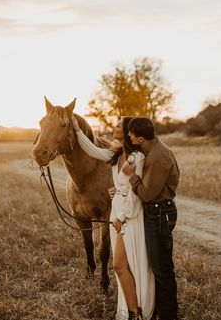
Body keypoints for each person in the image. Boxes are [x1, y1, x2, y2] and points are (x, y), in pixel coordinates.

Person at [71, 116, 155, 320]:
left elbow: (137, 195)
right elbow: (91, 149)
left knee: (126, 265)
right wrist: (77, 130)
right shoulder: (116, 154)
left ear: (128, 132)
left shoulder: (137, 158)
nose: (113, 127)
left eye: (118, 125)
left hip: (129, 218)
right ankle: (131, 311)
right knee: (121, 266)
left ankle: (138, 311)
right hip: (119, 214)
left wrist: (121, 217)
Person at [122, 117, 180, 320]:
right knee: (158, 267)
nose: (128, 135)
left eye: (130, 133)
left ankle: (169, 315)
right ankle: (160, 310)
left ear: (140, 138)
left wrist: (132, 176)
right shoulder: (153, 150)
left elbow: (147, 194)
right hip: (158, 212)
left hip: (159, 213)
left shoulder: (157, 157)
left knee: (162, 269)